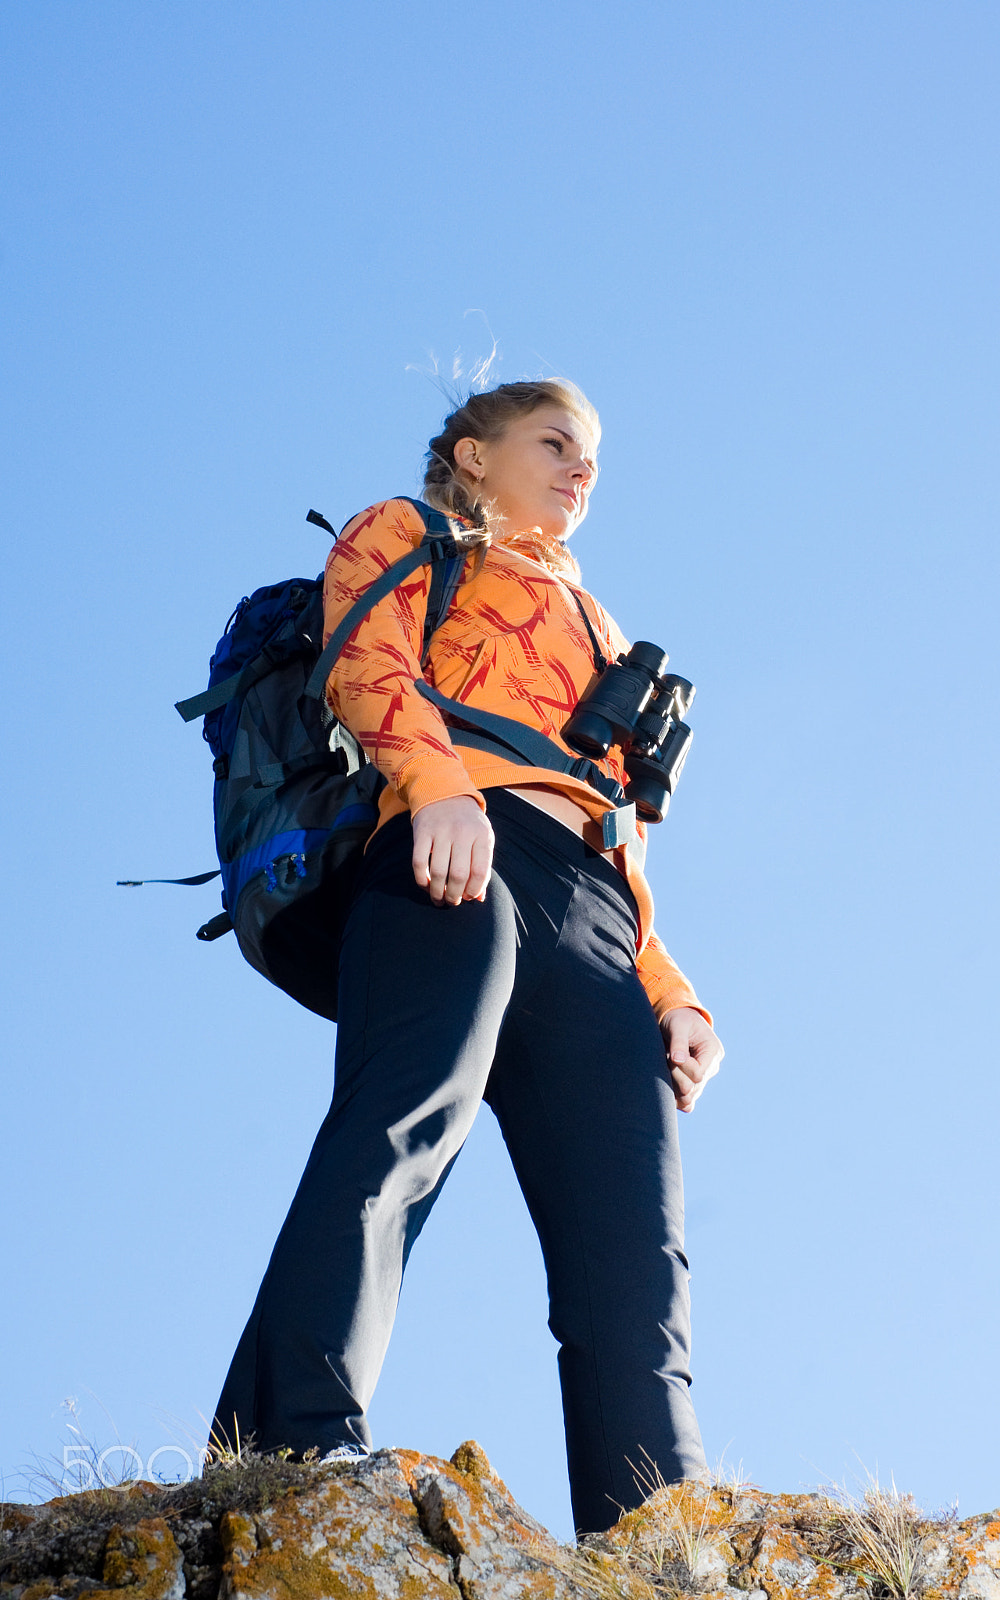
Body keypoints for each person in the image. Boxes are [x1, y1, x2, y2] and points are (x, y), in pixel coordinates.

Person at [212, 379, 724, 1534]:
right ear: (474, 454)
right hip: (454, 853)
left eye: (592, 458)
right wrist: (436, 787)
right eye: (555, 443)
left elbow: (615, 821)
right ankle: (293, 1451)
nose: (580, 470)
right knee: (398, 1137)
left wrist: (667, 985)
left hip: (597, 915)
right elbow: (366, 662)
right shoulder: (409, 532)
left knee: (636, 1257)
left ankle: (656, 1536)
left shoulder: (598, 624)